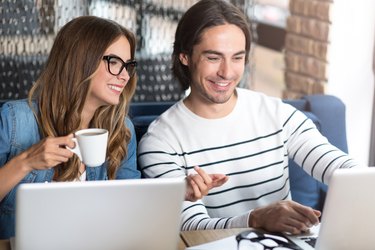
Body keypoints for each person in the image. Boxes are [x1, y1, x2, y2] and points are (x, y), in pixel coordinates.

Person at [138, 0, 362, 234]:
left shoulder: (276, 114)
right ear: (185, 57)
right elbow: (191, 226)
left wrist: (363, 182)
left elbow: (338, 167)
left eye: (237, 58)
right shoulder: (160, 141)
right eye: (213, 58)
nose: (227, 72)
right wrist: (256, 219)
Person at [0, 16, 226, 239]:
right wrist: (26, 161)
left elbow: (130, 209)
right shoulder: (15, 120)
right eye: (114, 63)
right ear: (80, 61)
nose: (125, 75)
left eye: (127, 65)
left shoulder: (120, 129)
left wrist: (180, 192)